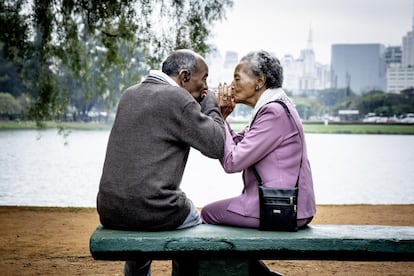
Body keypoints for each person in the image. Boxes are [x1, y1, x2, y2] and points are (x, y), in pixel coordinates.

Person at [97, 49, 225, 276]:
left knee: (143, 206)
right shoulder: (178, 99)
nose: (206, 86)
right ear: (184, 77)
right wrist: (212, 105)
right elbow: (216, 145)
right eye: (203, 78)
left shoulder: (129, 94)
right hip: (154, 209)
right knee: (194, 226)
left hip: (110, 208)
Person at [201, 50, 316, 276]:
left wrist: (219, 118)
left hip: (282, 207)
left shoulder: (273, 113)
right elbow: (236, 145)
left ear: (259, 81)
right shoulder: (273, 108)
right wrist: (223, 118)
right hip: (288, 204)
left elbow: (232, 162)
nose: (231, 85)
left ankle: (263, 275)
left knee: (207, 215)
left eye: (237, 78)